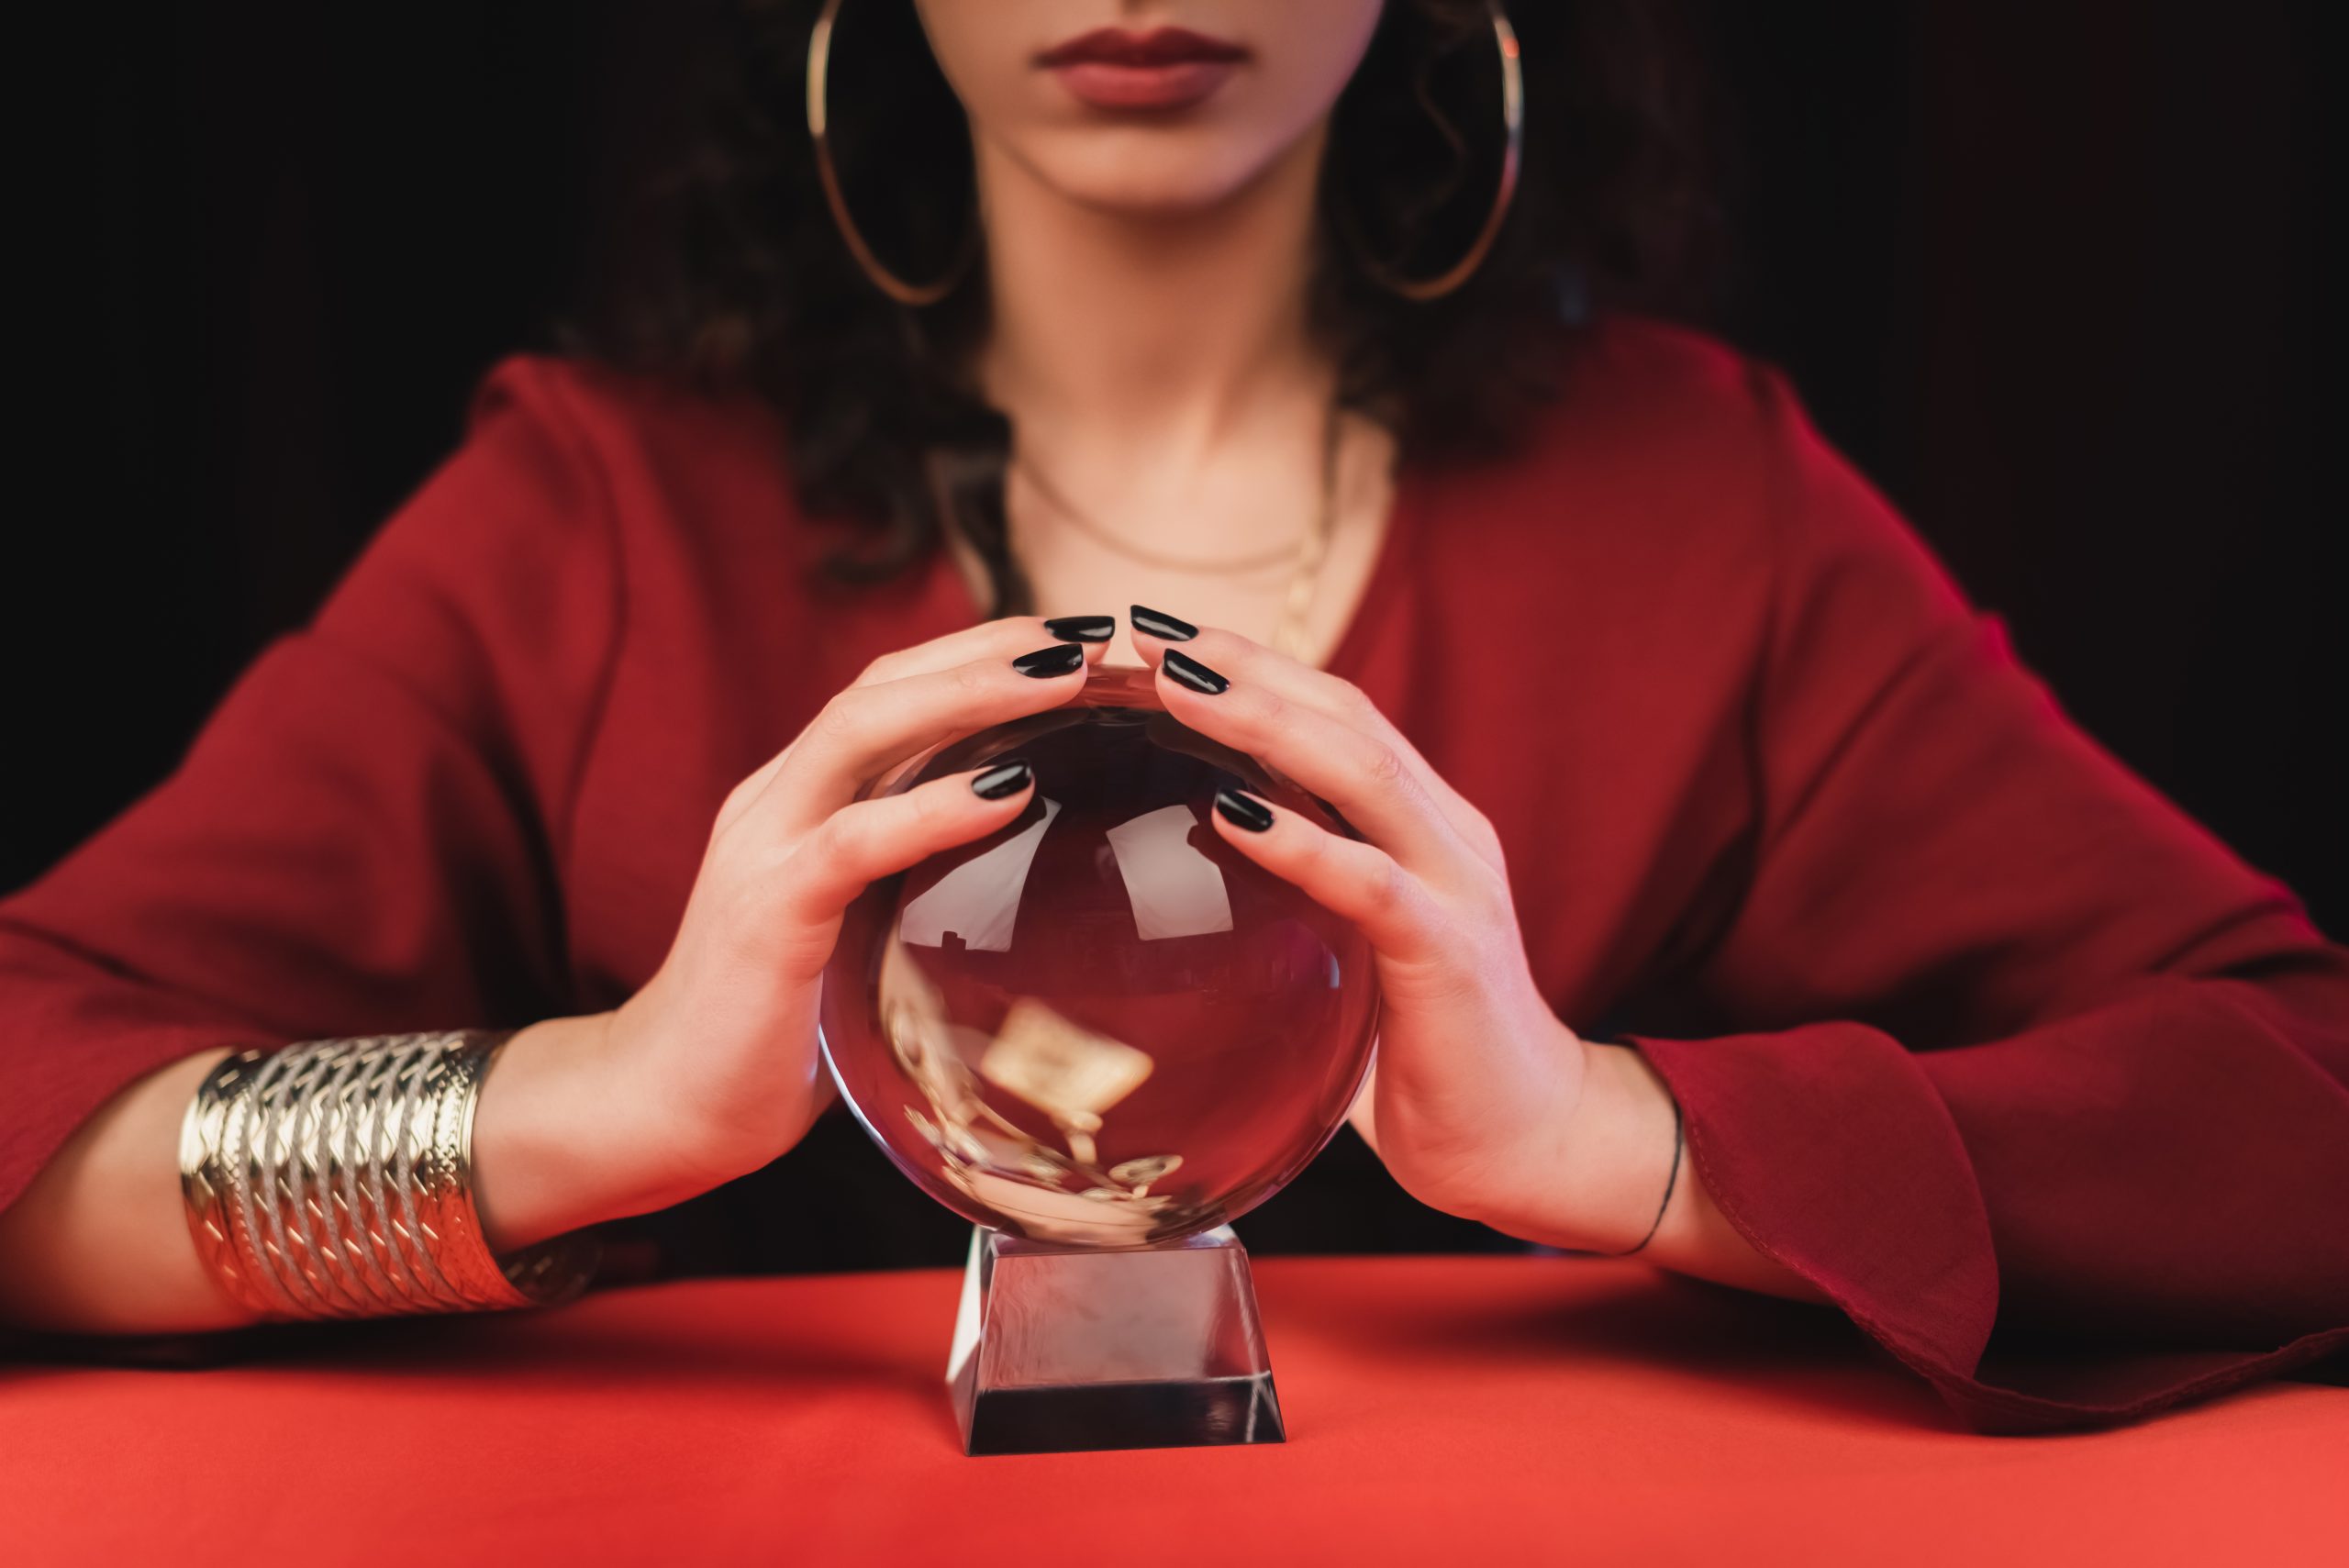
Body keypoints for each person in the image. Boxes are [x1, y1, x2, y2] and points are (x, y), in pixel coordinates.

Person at [1, 0, 2342, 1434]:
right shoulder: (593, 511)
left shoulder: (1700, 504)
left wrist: (1626, 1141)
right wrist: (585, 1106)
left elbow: (2295, 1103)